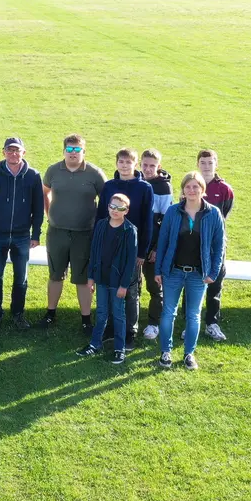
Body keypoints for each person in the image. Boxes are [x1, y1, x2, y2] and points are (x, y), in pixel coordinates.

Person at [152, 170, 226, 370]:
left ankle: (188, 354)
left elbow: (219, 246)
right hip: (173, 271)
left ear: (202, 189)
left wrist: (213, 272)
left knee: (193, 315)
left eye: (195, 186)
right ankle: (165, 352)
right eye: (188, 187)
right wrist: (158, 270)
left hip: (198, 274)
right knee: (168, 313)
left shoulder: (213, 213)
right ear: (183, 190)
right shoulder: (173, 211)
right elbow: (163, 241)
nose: (191, 190)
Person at [40, 134, 106, 333]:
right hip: (57, 232)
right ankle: (50, 314)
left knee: (83, 278)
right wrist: (50, 214)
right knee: (55, 275)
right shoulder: (53, 170)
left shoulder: (95, 173)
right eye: (69, 149)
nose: (73, 153)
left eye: (77, 150)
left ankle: (86, 319)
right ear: (64, 151)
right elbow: (44, 192)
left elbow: (106, 199)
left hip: (84, 234)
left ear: (84, 152)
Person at [0, 136, 43, 331]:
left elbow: (38, 207)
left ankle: (18, 314)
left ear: (23, 153)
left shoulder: (33, 176)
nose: (13, 154)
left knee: (21, 279)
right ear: (4, 152)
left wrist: (36, 234)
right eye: (10, 150)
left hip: (22, 236)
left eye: (17, 150)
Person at [94, 148, 155, 350]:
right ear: (116, 163)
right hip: (109, 246)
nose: (124, 165)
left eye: (129, 162)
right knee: (109, 286)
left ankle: (130, 331)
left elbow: (147, 221)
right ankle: (111, 327)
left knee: (129, 290)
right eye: (121, 161)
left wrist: (142, 252)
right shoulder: (109, 186)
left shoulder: (145, 188)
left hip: (132, 249)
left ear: (135, 164)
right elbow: (100, 216)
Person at [77, 192, 137, 364]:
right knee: (101, 312)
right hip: (101, 278)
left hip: (117, 281)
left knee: (118, 314)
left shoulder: (130, 230)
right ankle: (95, 344)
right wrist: (91, 278)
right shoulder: (101, 225)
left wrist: (124, 285)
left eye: (120, 208)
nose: (115, 210)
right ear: (108, 207)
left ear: (126, 211)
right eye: (112, 206)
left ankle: (120, 348)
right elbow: (94, 252)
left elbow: (130, 261)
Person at [197, 149, 236, 343]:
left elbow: (224, 214)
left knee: (215, 282)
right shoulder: (192, 185)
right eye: (203, 162)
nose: (206, 166)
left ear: (216, 164)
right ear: (197, 164)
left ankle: (212, 323)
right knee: (193, 282)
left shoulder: (225, 189)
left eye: (210, 162)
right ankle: (191, 323)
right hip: (194, 243)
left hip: (216, 244)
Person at [138, 149, 173, 342]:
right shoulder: (135, 181)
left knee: (155, 286)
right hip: (134, 244)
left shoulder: (164, 187)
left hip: (153, 247)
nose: (148, 169)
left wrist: (157, 248)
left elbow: (166, 221)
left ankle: (154, 323)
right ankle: (130, 320)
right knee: (131, 285)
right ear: (139, 164)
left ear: (158, 167)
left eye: (152, 166)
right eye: (145, 165)